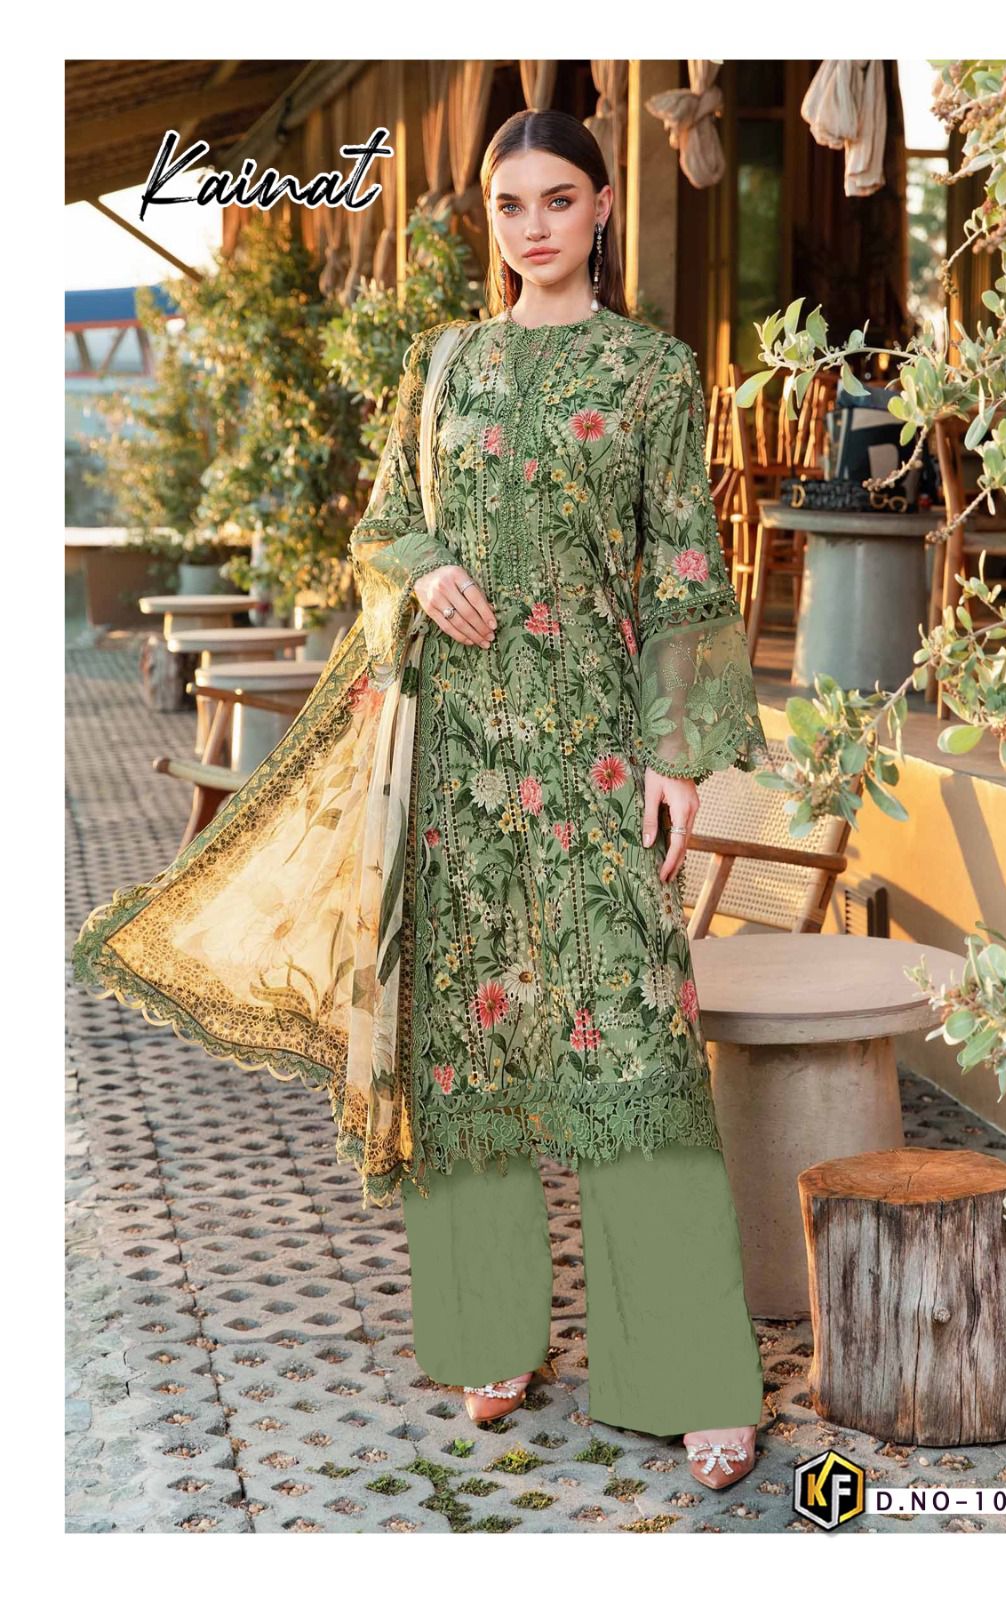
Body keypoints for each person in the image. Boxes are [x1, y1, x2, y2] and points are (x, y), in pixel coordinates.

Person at [71, 108, 773, 1494]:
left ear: (603, 208)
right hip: (451, 755)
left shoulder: (651, 372)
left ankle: (688, 1370)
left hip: (593, 750)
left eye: (558, 199)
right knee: (460, 1052)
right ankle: (488, 1336)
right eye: (511, 205)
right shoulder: (441, 365)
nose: (533, 227)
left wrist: (678, 758)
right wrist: (421, 571)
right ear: (491, 220)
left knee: (638, 1051)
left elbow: (686, 565)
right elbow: (380, 528)